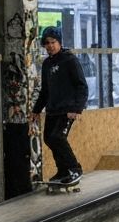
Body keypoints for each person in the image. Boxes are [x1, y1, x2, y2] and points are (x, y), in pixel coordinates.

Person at [30, 26, 87, 188]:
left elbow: (81, 86)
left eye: (53, 42)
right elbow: (45, 91)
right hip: (53, 109)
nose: (50, 46)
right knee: (49, 138)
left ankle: (74, 168)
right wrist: (36, 110)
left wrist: (77, 108)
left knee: (58, 137)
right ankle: (62, 170)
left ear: (59, 42)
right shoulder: (47, 64)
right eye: (47, 43)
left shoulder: (69, 60)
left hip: (67, 110)